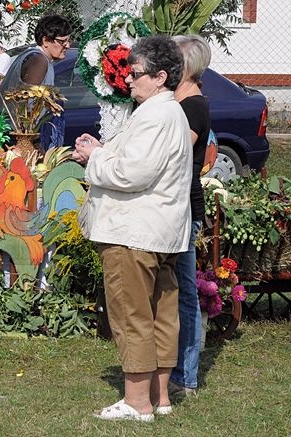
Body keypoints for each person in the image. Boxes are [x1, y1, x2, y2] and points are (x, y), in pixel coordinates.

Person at [73, 35, 192, 422]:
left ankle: (138, 402)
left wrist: (94, 159)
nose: (128, 80)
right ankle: (160, 398)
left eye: (136, 73)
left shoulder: (157, 114)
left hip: (133, 233)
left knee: (131, 316)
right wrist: (103, 148)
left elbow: (132, 173)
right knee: (159, 314)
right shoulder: (165, 112)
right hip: (156, 231)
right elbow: (135, 160)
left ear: (160, 77)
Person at [169, 34, 212, 396]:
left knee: (185, 292)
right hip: (174, 203)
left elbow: (174, 149)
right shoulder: (178, 102)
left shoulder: (193, 106)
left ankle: (186, 375)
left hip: (184, 205)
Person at [0, 14, 72, 115]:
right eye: (62, 42)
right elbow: (27, 104)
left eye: (68, 41)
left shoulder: (37, 57)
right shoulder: (39, 60)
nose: (67, 46)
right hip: (18, 128)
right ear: (45, 41)